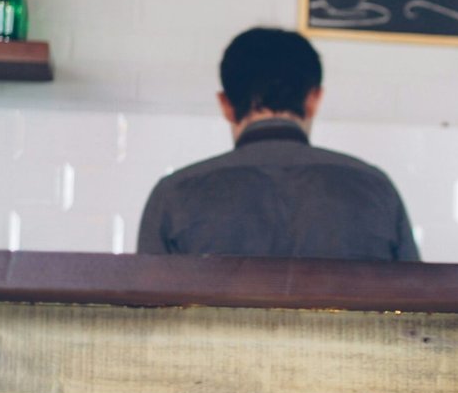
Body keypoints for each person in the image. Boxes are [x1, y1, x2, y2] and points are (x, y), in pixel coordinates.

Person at [137, 27, 419, 261]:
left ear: (225, 104)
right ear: (313, 99)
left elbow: (147, 317)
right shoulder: (376, 188)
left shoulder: (174, 194)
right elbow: (416, 308)